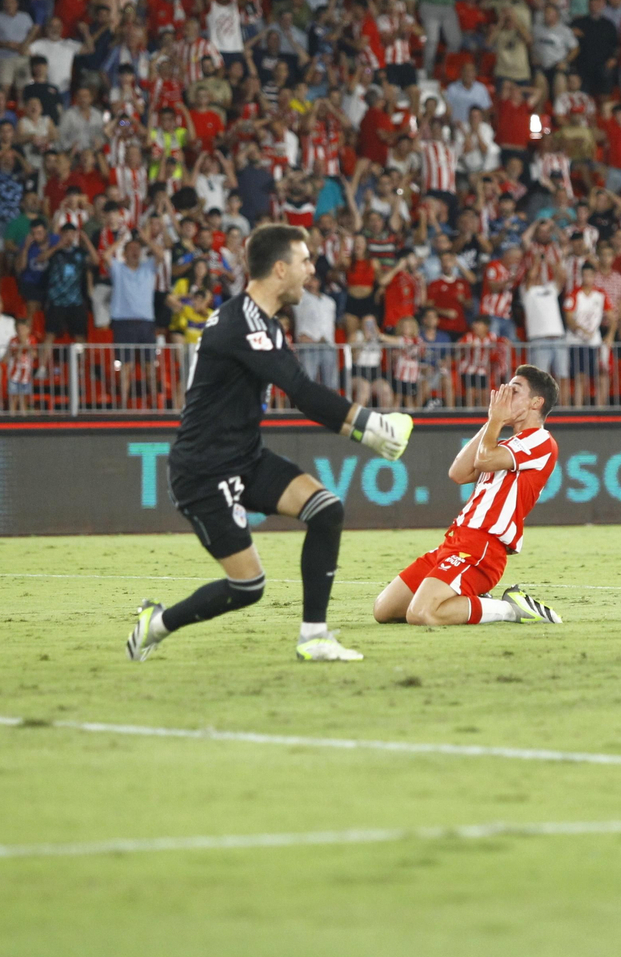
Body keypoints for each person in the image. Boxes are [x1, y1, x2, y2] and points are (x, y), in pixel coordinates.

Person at [126, 225, 416, 665]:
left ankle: (314, 637)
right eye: (304, 261)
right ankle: (158, 623)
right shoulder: (241, 323)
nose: (311, 270)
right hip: (203, 470)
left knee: (326, 510)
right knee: (248, 587)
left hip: (245, 457)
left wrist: (366, 431)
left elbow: (299, 391)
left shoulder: (266, 324)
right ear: (280, 269)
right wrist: (371, 426)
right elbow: (300, 390)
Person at [372, 365, 562, 627]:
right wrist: (492, 421)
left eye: (514, 390)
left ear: (536, 403)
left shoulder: (541, 440)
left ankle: (510, 608)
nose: (504, 395)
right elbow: (458, 473)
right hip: (455, 541)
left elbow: (484, 459)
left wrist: (496, 421)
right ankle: (473, 599)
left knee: (422, 613)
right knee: (384, 610)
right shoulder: (503, 444)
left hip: (483, 546)